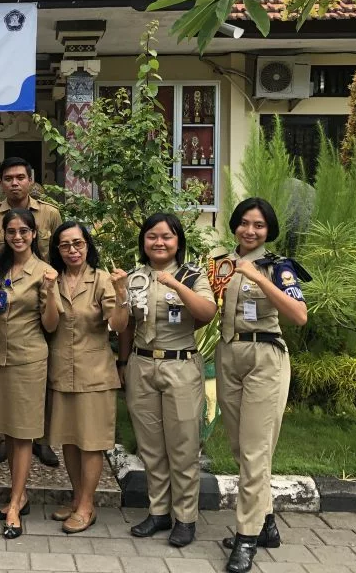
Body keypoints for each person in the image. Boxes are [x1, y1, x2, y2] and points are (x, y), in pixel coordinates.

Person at [215, 198, 308, 573]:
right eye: (244, 223)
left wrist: (257, 278)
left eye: (259, 226)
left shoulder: (279, 268)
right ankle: (267, 523)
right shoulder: (221, 263)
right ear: (235, 225)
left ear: (269, 231)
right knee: (241, 448)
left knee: (255, 452)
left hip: (265, 358)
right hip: (229, 356)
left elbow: (299, 315)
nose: (250, 231)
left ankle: (246, 538)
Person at [118, 213, 216, 548]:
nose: (158, 242)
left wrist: (175, 284)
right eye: (151, 236)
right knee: (151, 446)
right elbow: (126, 324)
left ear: (178, 242)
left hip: (180, 366)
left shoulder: (192, 275)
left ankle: (185, 518)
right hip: (142, 365)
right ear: (143, 241)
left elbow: (206, 312)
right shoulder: (134, 278)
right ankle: (158, 511)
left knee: (183, 446)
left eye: (166, 237)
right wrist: (122, 360)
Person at [0, 156, 63, 467]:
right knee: (3, 385)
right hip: (3, 291)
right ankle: (3, 440)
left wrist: (53, 290)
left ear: (30, 180)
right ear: (1, 183)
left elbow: (58, 254)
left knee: (39, 379)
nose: (14, 182)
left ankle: (41, 439)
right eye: (8, 178)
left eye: (20, 177)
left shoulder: (50, 214)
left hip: (39, 293)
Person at [46, 221, 128, 533]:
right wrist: (46, 291)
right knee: (69, 438)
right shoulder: (53, 280)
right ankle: (78, 496)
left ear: (87, 245)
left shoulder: (102, 280)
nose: (72, 250)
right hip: (61, 370)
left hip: (95, 373)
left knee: (91, 442)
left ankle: (87, 505)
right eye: (65, 245)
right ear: (58, 249)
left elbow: (118, 326)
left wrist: (121, 293)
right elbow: (50, 325)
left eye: (78, 243)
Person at [0, 209, 59, 539]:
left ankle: (15, 504)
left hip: (28, 358)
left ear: (34, 234)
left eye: (24, 231)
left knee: (25, 432)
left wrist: (51, 293)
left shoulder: (44, 272)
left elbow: (51, 324)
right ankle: (20, 494)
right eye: (11, 231)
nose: (17, 236)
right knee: (9, 433)